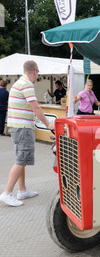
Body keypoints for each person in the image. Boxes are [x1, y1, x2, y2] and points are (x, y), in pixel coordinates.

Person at [0, 60, 55, 207]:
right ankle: (7, 192)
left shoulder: (19, 83)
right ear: (35, 71)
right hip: (23, 127)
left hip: (16, 127)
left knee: (21, 158)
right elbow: (36, 108)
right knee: (22, 159)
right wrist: (49, 125)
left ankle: (22, 190)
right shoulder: (27, 85)